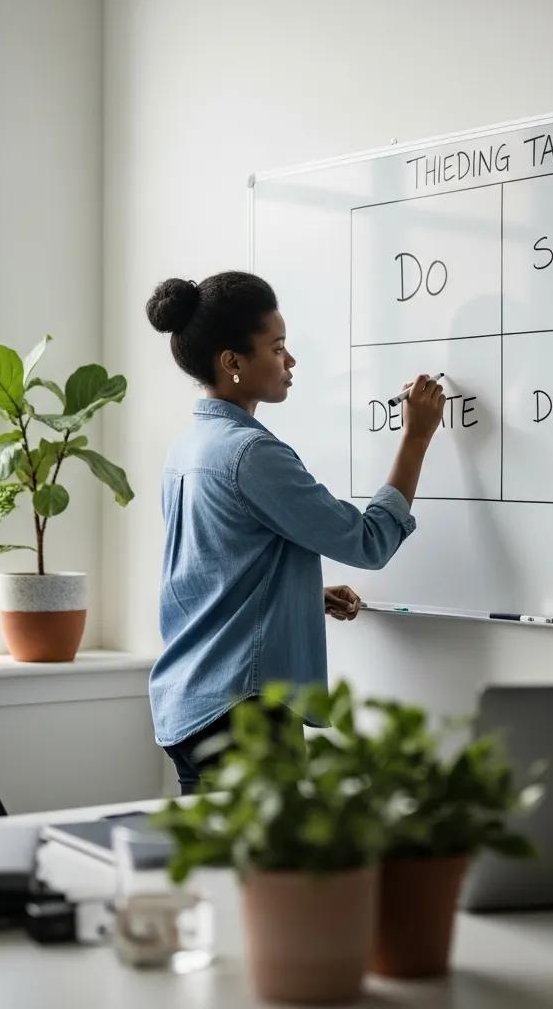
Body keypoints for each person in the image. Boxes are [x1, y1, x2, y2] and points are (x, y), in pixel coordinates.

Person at [146, 270, 445, 793]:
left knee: (228, 872)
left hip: (188, 702)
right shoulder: (252, 454)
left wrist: (300, 591)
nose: (291, 361)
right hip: (243, 713)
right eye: (277, 347)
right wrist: (416, 439)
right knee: (271, 874)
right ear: (232, 362)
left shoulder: (190, 447)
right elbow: (369, 542)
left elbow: (211, 572)